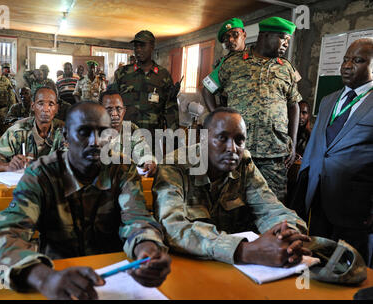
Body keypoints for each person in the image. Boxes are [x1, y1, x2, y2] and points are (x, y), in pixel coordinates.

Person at [0, 102, 171, 299]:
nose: (95, 142)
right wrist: (44, 278)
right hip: (58, 276)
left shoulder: (121, 170)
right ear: (65, 137)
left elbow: (136, 219)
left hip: (115, 280)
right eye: (83, 132)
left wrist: (147, 250)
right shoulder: (42, 174)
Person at [153, 108, 310, 267]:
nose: (232, 148)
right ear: (202, 137)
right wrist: (244, 251)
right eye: (222, 138)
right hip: (189, 265)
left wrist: (287, 234)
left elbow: (271, 208)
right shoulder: (174, 166)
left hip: (240, 270)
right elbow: (172, 227)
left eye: (239, 140)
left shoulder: (244, 165)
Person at [0, 86, 66, 288]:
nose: (46, 109)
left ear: (57, 109)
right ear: (32, 106)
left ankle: (51, 275)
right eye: (41, 103)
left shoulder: (66, 131)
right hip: (12, 193)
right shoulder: (18, 131)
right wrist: (9, 165)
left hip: (51, 195)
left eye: (51, 104)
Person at [292, 38, 373, 263]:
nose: (347, 65)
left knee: (350, 268)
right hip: (318, 199)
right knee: (317, 262)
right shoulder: (328, 101)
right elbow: (318, 147)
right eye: (345, 59)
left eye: (358, 60)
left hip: (356, 207)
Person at [205, 17, 302, 203]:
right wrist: (217, 119)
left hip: (274, 154)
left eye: (288, 40)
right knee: (231, 204)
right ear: (264, 35)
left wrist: (293, 141)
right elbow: (207, 89)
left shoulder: (287, 69)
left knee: (273, 204)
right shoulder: (232, 63)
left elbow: (294, 105)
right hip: (238, 151)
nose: (286, 44)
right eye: (282, 38)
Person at [113, 30, 179, 137]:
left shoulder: (163, 75)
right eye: (136, 46)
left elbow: (171, 109)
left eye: (142, 46)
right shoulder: (122, 74)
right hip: (126, 137)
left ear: (152, 46)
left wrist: (174, 141)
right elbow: (111, 105)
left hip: (153, 138)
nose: (138, 50)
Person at [100, 88, 157, 177]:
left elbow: (142, 150)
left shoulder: (131, 129)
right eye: (109, 109)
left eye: (118, 109)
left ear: (124, 111)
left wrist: (148, 161)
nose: (114, 114)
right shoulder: (93, 131)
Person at [202, 18, 247, 112]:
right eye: (226, 38)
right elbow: (207, 89)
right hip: (234, 118)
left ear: (244, 35)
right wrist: (215, 116)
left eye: (235, 34)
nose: (230, 40)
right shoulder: (226, 62)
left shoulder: (255, 56)